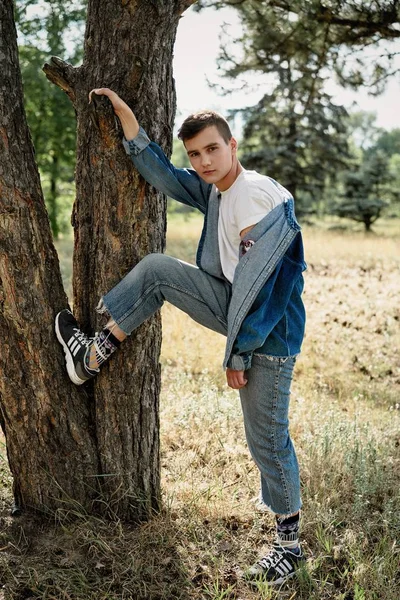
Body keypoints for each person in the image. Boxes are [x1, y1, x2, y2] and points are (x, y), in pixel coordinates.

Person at [55, 88, 307, 585]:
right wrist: (129, 121)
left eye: (212, 149)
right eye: (195, 153)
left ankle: (290, 545)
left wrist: (239, 350)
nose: (203, 161)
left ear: (232, 144)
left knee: (268, 441)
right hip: (236, 308)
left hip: (267, 334)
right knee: (156, 271)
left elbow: (275, 286)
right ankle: (92, 354)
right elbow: (166, 177)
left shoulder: (254, 194)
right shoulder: (217, 188)